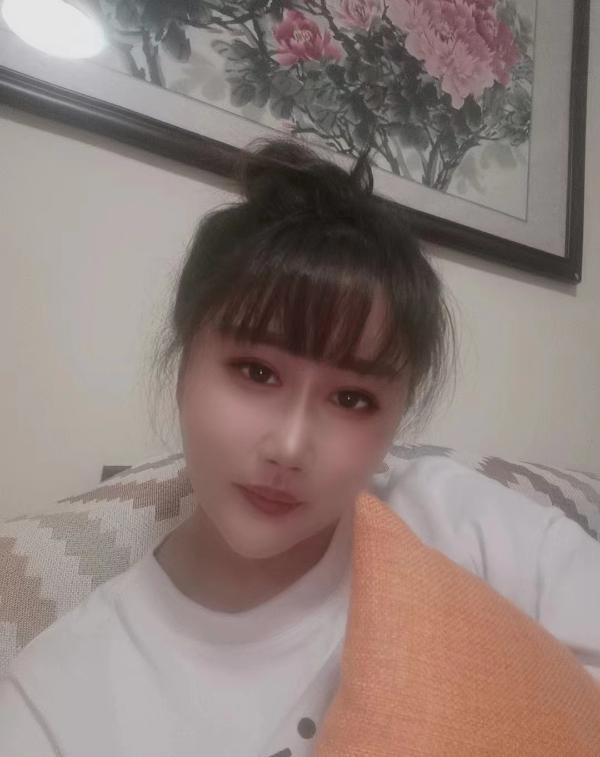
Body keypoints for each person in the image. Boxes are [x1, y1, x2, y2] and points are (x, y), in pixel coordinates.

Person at [0, 138, 599, 757]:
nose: (289, 447)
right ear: (183, 367)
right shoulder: (55, 699)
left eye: (352, 399)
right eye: (256, 371)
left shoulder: (457, 526)